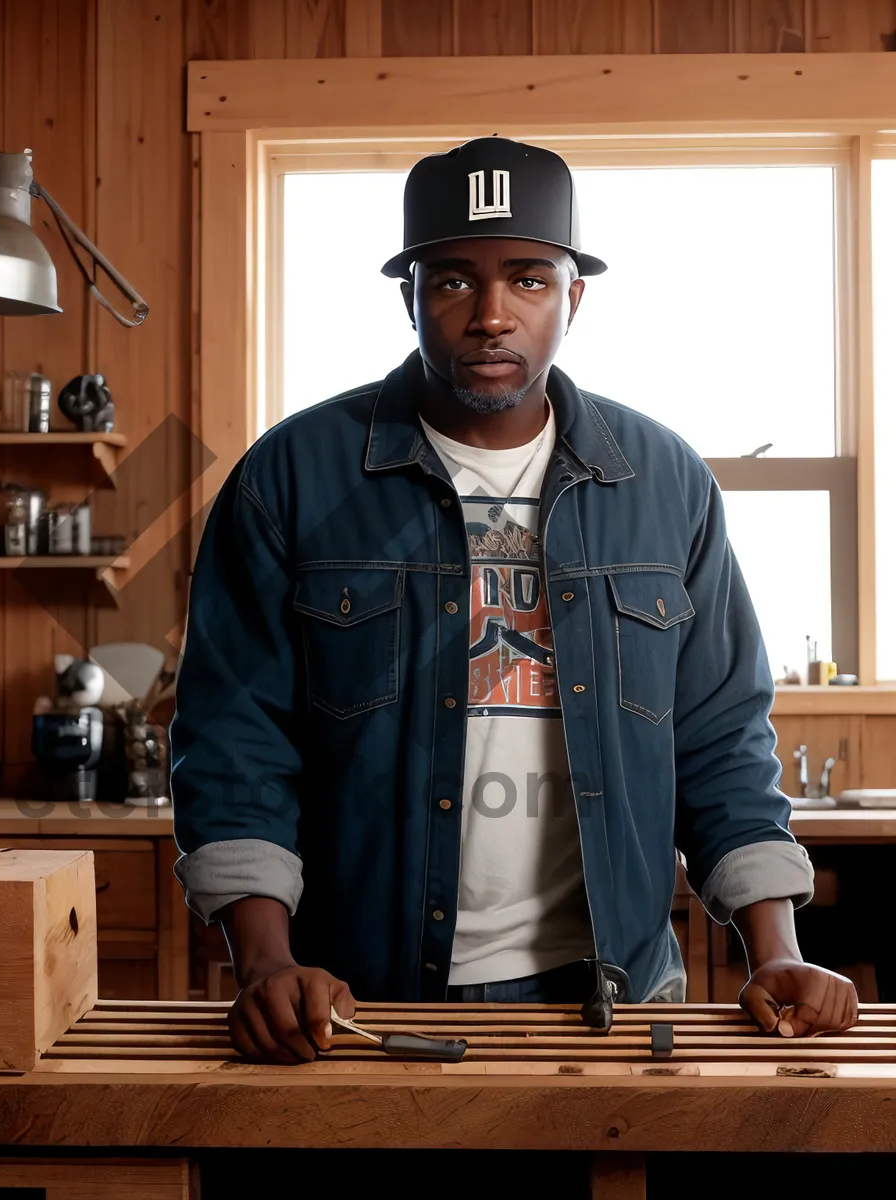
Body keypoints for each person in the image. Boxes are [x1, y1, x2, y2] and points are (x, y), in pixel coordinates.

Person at [169, 137, 858, 1064]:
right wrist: (265, 962)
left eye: (529, 279)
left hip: (613, 997)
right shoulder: (292, 478)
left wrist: (777, 951)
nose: (492, 315)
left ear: (574, 298)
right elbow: (234, 737)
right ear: (408, 296)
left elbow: (720, 734)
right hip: (360, 1003)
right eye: (453, 281)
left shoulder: (665, 483)